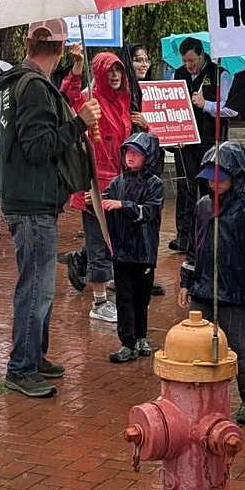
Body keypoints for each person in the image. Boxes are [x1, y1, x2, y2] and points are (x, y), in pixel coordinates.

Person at [0, 19, 100, 398]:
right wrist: (78, 123)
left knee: (39, 285)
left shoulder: (18, 82)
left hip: (26, 198)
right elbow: (39, 146)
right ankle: (21, 367)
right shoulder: (35, 87)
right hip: (32, 201)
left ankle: (34, 355)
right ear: (58, 50)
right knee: (37, 288)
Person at [177, 140, 245, 424]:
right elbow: (194, 247)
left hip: (235, 293)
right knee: (198, 345)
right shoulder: (203, 207)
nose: (213, 184)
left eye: (220, 178)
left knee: (242, 348)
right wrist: (186, 281)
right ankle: (199, 393)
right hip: (203, 290)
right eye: (210, 178)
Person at [61, 51, 133, 323]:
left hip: (118, 182)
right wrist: (77, 68)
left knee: (112, 239)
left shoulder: (123, 102)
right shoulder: (91, 100)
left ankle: (81, 262)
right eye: (109, 71)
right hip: (95, 184)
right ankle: (99, 301)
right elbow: (68, 95)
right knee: (99, 241)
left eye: (118, 70)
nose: (115, 75)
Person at [104, 132, 166, 363]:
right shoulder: (116, 182)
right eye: (128, 152)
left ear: (147, 157)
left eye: (137, 153)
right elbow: (105, 202)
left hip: (144, 252)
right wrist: (96, 202)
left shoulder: (155, 184)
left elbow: (149, 211)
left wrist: (124, 205)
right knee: (124, 298)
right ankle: (127, 342)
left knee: (142, 297)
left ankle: (141, 336)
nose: (130, 157)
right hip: (121, 252)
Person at [171, 38, 233, 253]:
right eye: (185, 61)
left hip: (210, 141)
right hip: (186, 141)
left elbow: (230, 108)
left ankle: (210, 234)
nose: (189, 65)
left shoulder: (220, 74)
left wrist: (205, 105)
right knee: (185, 188)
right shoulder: (178, 74)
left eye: (192, 60)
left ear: (202, 55)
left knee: (208, 187)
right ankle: (184, 236)